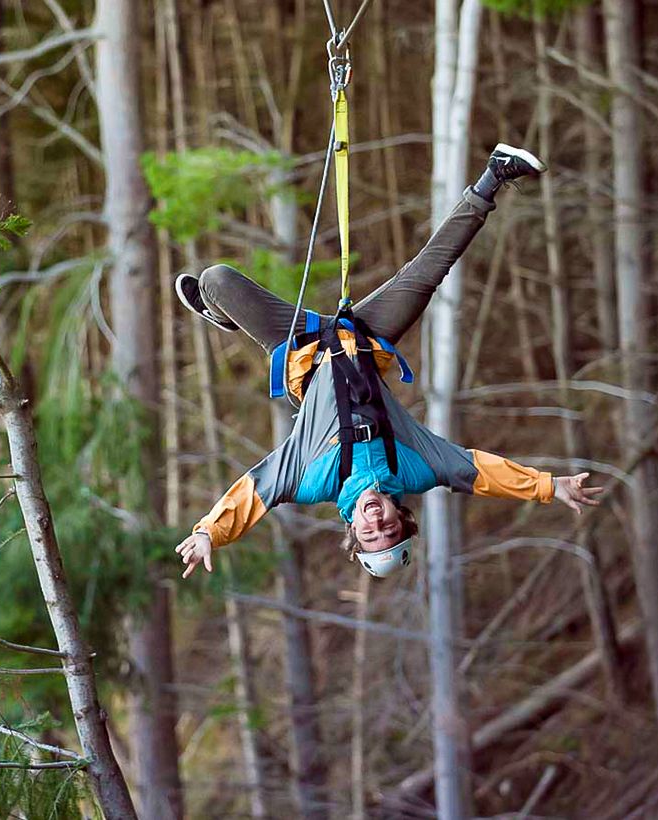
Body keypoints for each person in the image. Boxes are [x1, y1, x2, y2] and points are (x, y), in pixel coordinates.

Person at [172, 144, 603, 579]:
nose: (377, 524)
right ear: (403, 518)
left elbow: (253, 492)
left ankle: (220, 311)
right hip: (365, 337)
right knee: (427, 271)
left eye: (370, 534)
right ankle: (495, 174)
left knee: (215, 279)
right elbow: (481, 473)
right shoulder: (418, 468)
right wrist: (548, 486)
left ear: (352, 530)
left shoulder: (309, 479)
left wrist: (209, 532)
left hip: (304, 347)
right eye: (390, 530)